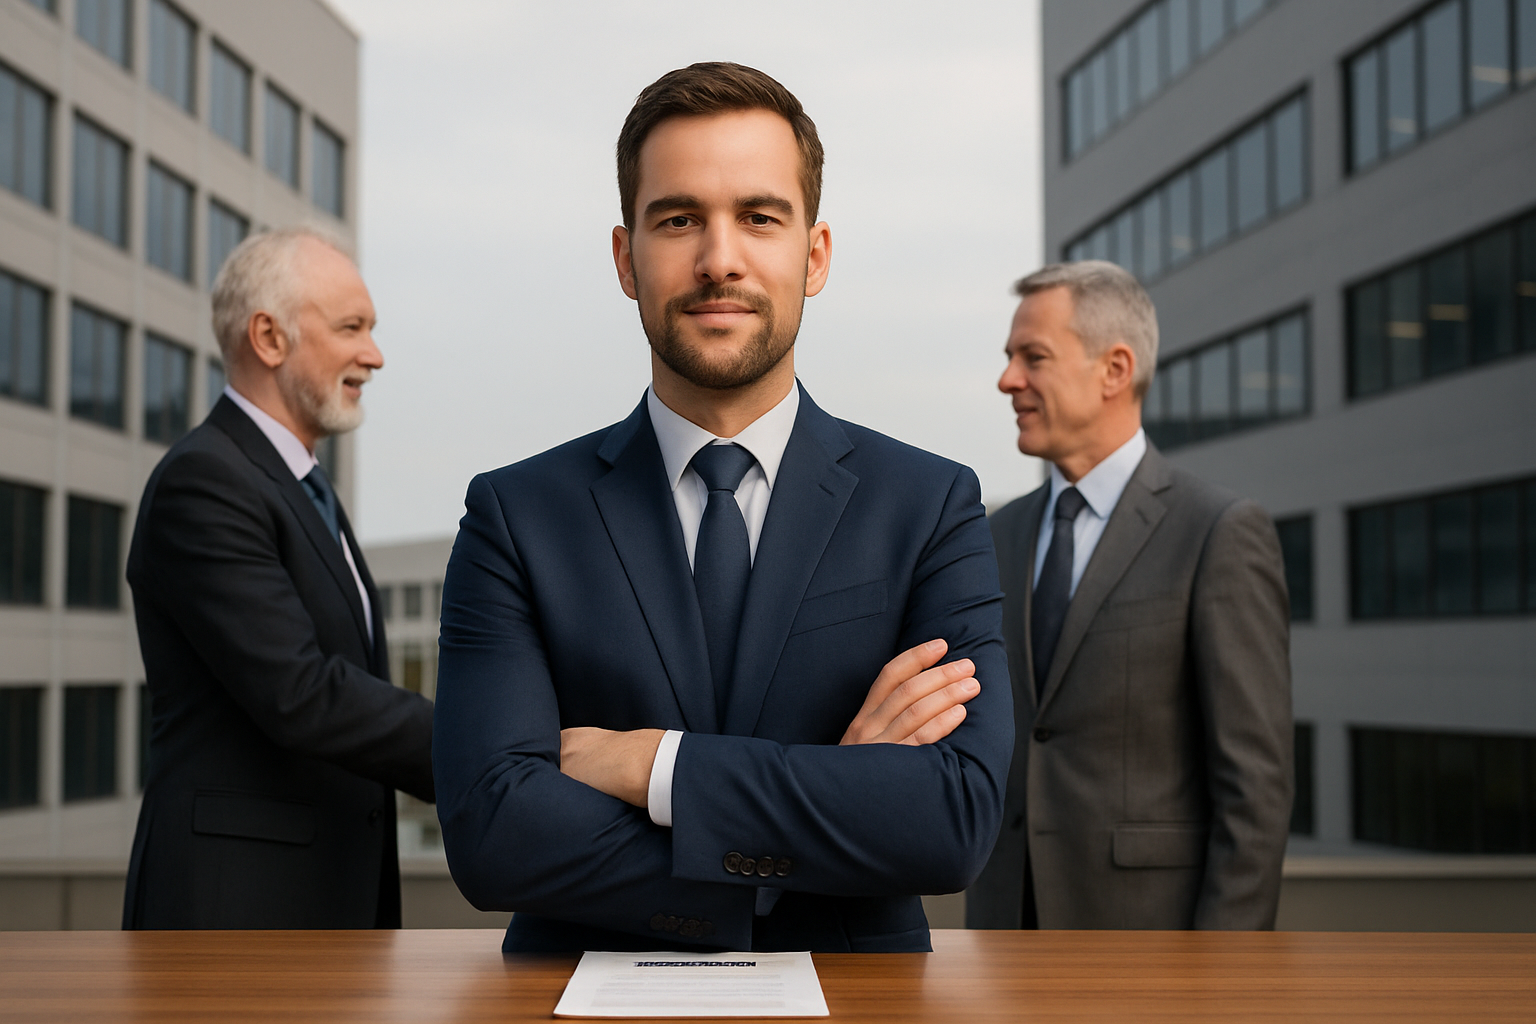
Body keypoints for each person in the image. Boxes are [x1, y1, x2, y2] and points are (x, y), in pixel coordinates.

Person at [434, 63, 1012, 953]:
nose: (719, 259)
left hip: (856, 1000)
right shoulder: (516, 516)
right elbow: (493, 833)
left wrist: (655, 766)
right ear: (626, 259)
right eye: (678, 220)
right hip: (577, 999)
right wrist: (829, 811)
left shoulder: (930, 506)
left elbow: (953, 818)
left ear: (814, 256)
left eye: (759, 217)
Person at [123, 227, 435, 930]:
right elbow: (300, 692)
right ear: (269, 338)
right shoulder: (205, 481)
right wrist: (484, 750)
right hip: (234, 917)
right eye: (351, 327)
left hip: (326, 904)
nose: (374, 355)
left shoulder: (304, 488)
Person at [967, 260, 1292, 931]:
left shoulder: (1218, 532)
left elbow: (1254, 790)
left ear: (1115, 369)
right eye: (1008, 358)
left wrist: (1226, 973)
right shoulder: (996, 534)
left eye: (1033, 357)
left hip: (1151, 946)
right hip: (1003, 937)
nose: (1008, 380)